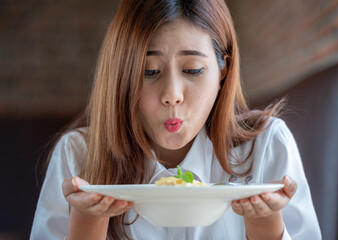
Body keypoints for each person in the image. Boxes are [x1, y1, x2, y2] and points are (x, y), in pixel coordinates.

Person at [30, 0, 321, 239]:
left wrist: (266, 228)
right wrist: (87, 223)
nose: (171, 95)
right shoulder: (79, 157)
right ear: (121, 77)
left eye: (192, 69)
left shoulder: (266, 147)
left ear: (222, 71)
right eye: (149, 71)